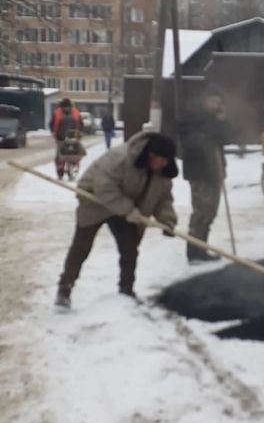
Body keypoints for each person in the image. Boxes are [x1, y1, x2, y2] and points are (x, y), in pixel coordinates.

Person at [55, 131, 178, 308]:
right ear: (151, 155)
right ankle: (64, 289)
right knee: (81, 247)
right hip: (94, 199)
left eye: (168, 160)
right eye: (162, 159)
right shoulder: (120, 157)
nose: (165, 164)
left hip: (127, 206)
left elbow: (162, 197)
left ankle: (126, 290)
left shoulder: (162, 170)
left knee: (130, 249)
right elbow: (104, 188)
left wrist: (167, 220)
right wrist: (128, 210)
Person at [178, 88, 230, 263]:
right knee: (201, 212)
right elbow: (189, 140)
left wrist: (222, 122)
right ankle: (193, 252)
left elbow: (226, 138)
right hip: (199, 171)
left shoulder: (215, 120)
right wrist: (208, 135)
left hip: (215, 171)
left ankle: (202, 248)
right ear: (204, 101)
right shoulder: (192, 116)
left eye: (218, 102)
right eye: (213, 101)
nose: (216, 105)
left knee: (210, 213)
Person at [50, 98, 82, 179]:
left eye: (67, 107)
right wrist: (54, 132)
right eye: (65, 107)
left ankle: (73, 167)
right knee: (61, 155)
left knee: (73, 154)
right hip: (61, 137)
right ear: (62, 107)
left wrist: (80, 132)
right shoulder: (57, 113)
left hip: (72, 137)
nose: (66, 108)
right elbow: (52, 124)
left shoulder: (76, 113)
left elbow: (80, 124)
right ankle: (60, 169)